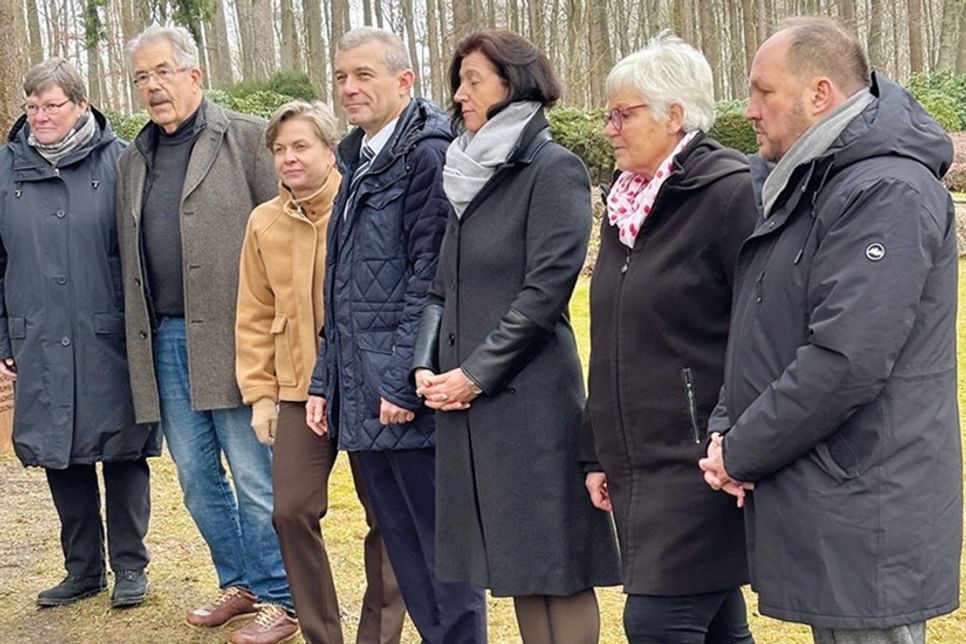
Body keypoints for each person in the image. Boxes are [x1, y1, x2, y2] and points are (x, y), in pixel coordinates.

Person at [698, 16, 961, 644]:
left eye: (764, 92)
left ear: (820, 94)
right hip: (831, 490)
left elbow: (847, 358)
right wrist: (726, 428)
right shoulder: (811, 183)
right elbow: (763, 326)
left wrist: (743, 450)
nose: (749, 109)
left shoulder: (886, 189)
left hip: (868, 499)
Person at [412, 29, 621, 644]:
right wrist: (426, 365)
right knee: (518, 565)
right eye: (458, 80)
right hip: (467, 402)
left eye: (474, 79)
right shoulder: (467, 170)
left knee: (557, 561)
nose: (459, 93)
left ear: (515, 82)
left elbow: (543, 294)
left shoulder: (553, 169)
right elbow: (439, 287)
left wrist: (475, 376)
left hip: (532, 401)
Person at [304, 27, 485, 643]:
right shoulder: (356, 158)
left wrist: (404, 383)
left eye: (364, 76)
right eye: (341, 78)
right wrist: (324, 380)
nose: (349, 89)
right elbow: (341, 289)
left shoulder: (427, 153)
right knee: (404, 555)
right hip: (361, 396)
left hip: (407, 397)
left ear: (404, 82)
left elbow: (429, 279)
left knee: (442, 555)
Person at [116, 25, 296, 644]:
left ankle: (283, 597)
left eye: (163, 71)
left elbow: (283, 233)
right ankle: (240, 583)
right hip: (165, 337)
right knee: (195, 476)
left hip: (237, 336)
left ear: (195, 75)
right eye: (141, 76)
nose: (153, 86)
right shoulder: (134, 156)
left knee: (252, 472)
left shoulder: (246, 138)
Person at [580, 33, 757, 644]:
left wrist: (737, 435)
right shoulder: (626, 206)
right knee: (717, 625)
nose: (608, 129)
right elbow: (609, 337)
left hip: (700, 460)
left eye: (622, 114)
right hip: (634, 460)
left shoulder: (729, 193)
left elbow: (760, 331)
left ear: (674, 115)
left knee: (659, 619)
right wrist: (595, 449)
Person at [237, 99, 406, 644]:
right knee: (290, 510)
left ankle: (377, 634)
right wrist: (261, 394)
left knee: (387, 517)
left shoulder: (364, 207)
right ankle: (320, 633)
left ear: (331, 149)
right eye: (280, 150)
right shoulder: (263, 222)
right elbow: (254, 313)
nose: (288, 158)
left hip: (365, 387)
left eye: (301, 145)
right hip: (295, 389)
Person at [0, 57, 159, 610]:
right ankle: (82, 570)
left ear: (81, 105)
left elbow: (142, 256)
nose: (40, 116)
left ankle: (131, 568)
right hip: (36, 336)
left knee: (121, 452)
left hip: (107, 336)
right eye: (32, 106)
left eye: (52, 105)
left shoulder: (121, 162)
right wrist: (4, 339)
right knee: (59, 454)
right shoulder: (6, 169)